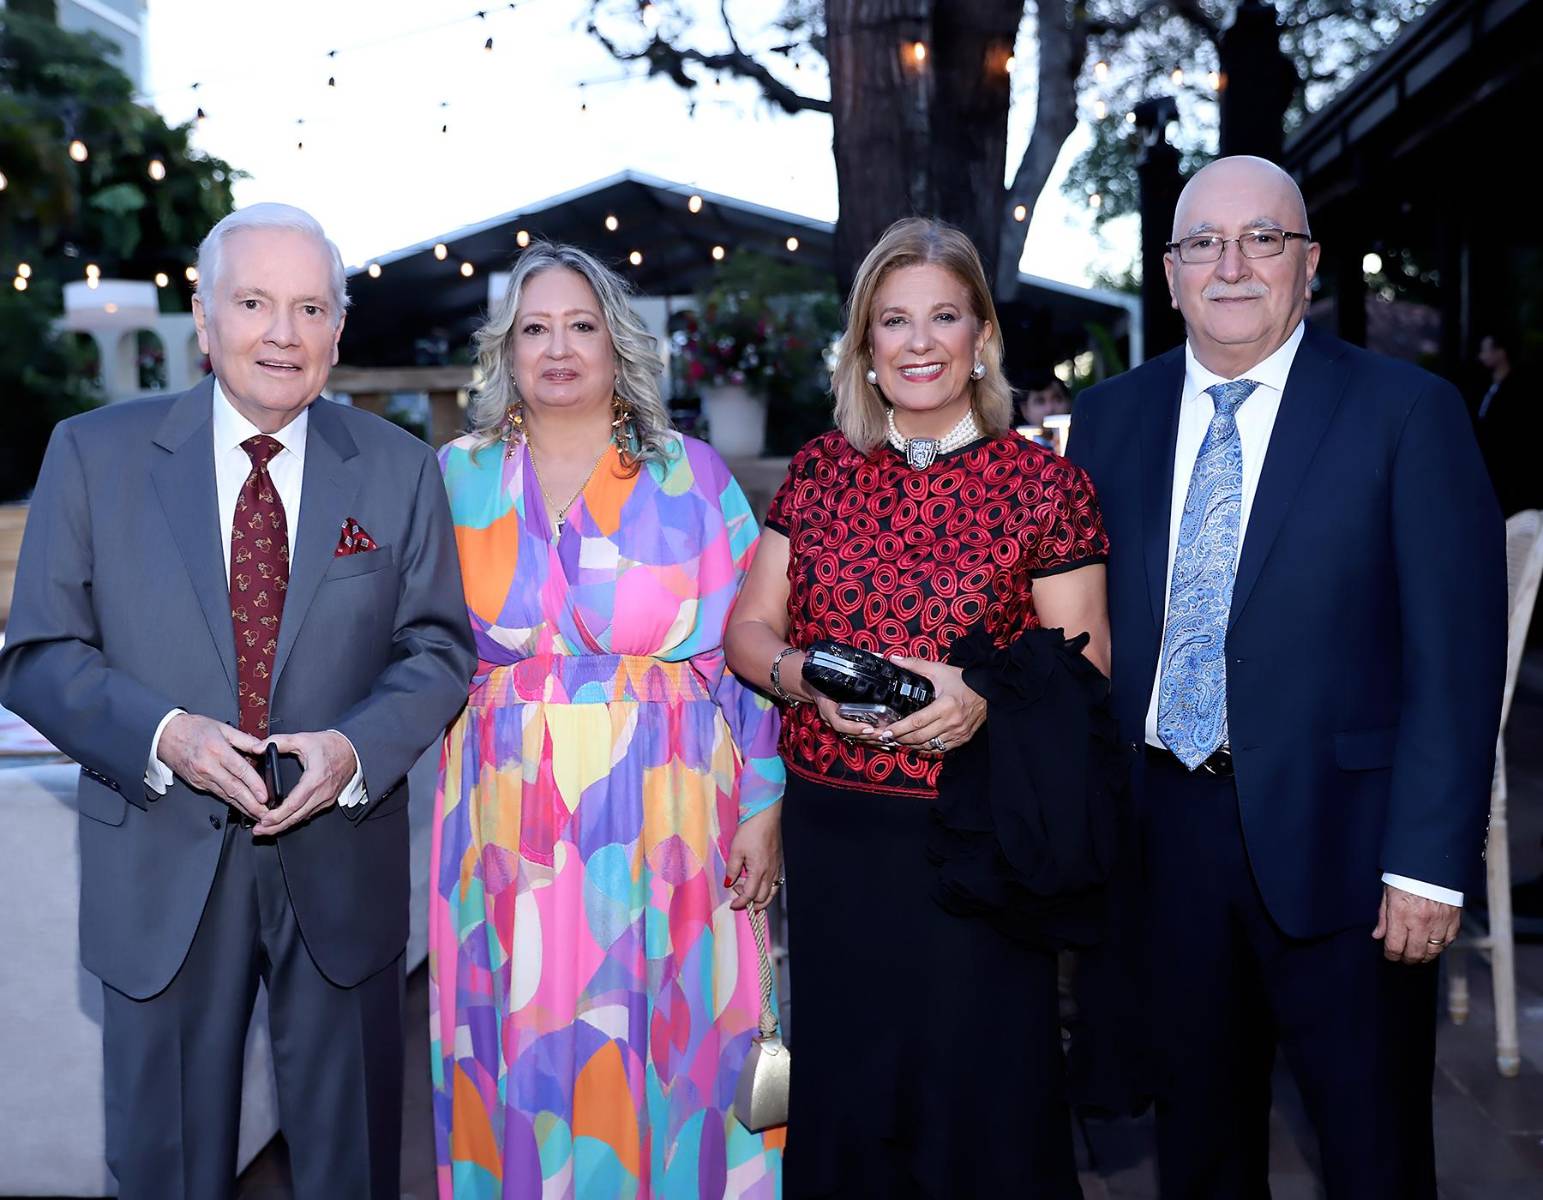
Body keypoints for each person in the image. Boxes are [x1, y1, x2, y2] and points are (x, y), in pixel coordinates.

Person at [0, 203, 476, 1199]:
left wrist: (353, 747)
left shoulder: (396, 469)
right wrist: (161, 733)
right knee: (167, 1162)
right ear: (204, 317)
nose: (283, 333)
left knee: (350, 1164)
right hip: (158, 858)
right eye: (254, 302)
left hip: (340, 865)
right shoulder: (93, 455)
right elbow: (39, 654)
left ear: (339, 330)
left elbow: (436, 648)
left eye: (310, 307)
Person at [1067, 156, 1507, 1199]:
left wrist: (1428, 865)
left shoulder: (1406, 411)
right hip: (1163, 841)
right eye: (1201, 244)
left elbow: (1456, 654)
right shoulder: (1111, 421)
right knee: (1201, 1151)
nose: (1230, 266)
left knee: (1373, 1152)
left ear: (1304, 264)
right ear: (1168, 273)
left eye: (1261, 239)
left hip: (1348, 853)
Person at [725, 217, 1110, 1199]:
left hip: (976, 846)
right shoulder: (817, 472)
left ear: (981, 334)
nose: (919, 341)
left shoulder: (1045, 486)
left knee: (981, 1111)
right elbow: (747, 634)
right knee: (851, 1108)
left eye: (944, 315)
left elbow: (1086, 661)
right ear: (864, 344)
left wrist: (980, 694)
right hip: (837, 844)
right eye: (892, 321)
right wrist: (803, 674)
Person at [430, 242, 785, 1199]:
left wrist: (765, 803)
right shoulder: (452, 480)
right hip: (505, 825)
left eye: (580, 325)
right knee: (520, 1039)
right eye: (534, 328)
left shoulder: (692, 477)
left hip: (669, 818)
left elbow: (747, 653)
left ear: (616, 343)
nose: (558, 348)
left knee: (669, 1048)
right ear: (505, 349)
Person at [1473, 329, 1541, 516]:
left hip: (1509, 477)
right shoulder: (1487, 387)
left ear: (1500, 353)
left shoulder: (1518, 391)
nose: (1481, 356)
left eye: (1486, 350)